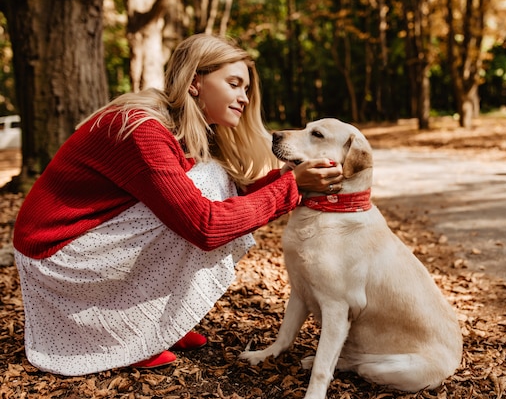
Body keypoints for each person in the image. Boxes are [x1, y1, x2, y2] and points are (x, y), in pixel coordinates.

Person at [12, 33, 343, 376]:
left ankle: (156, 325)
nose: (244, 98)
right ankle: (129, 339)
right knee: (206, 187)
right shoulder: (143, 128)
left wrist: (295, 181)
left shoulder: (183, 128)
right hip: (56, 253)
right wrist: (292, 186)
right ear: (195, 81)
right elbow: (204, 226)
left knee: (214, 181)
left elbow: (237, 199)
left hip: (85, 240)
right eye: (234, 84)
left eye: (246, 89)